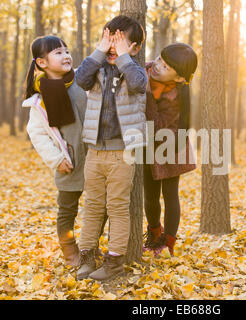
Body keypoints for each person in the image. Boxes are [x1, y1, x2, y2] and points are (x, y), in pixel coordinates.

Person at [74, 15, 147, 281]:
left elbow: (139, 85)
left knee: (117, 207)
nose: (113, 47)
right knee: (92, 206)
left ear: (135, 48)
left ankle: (114, 262)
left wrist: (125, 57)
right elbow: (80, 80)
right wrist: (99, 51)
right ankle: (86, 257)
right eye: (109, 39)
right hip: (94, 152)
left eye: (120, 42)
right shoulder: (97, 67)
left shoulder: (135, 70)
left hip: (122, 153)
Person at [22, 35, 102, 267]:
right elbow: (37, 134)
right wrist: (56, 159)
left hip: (95, 158)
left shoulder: (81, 80)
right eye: (58, 52)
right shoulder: (40, 100)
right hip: (70, 162)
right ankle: (70, 252)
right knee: (67, 211)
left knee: (101, 207)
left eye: (66, 50)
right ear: (42, 62)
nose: (66, 55)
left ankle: (91, 247)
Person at [143, 43, 198, 256]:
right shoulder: (148, 72)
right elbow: (146, 66)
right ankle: (154, 232)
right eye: (159, 60)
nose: (158, 66)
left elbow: (158, 125)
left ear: (178, 78)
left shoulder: (177, 94)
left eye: (165, 67)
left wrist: (146, 99)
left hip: (170, 145)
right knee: (149, 195)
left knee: (170, 194)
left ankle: (168, 241)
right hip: (148, 147)